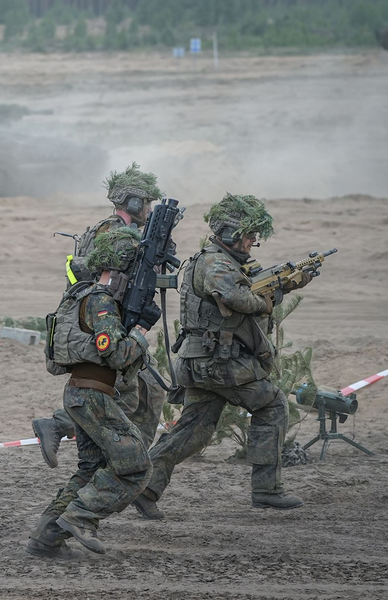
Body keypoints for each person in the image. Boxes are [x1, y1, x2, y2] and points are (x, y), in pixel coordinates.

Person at [132, 193, 309, 520]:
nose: (250, 242)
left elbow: (243, 292)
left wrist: (285, 285)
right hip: (221, 364)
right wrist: (267, 302)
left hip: (205, 362)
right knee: (271, 405)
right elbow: (234, 296)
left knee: (193, 430)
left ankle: (146, 487)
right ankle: (266, 489)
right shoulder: (216, 263)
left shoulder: (216, 260)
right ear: (229, 234)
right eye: (247, 236)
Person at [27, 228, 154, 557]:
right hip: (93, 395)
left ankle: (46, 536)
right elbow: (117, 355)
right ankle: (82, 518)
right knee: (136, 466)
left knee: (90, 470)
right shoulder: (100, 300)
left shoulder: (83, 296)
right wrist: (140, 334)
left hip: (82, 394)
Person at [32, 163, 167, 469]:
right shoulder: (117, 235)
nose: (148, 208)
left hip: (108, 323)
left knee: (148, 390)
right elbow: (114, 283)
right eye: (146, 202)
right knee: (124, 392)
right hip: (108, 324)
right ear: (133, 202)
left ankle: (130, 466)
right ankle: (71, 433)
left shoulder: (108, 230)